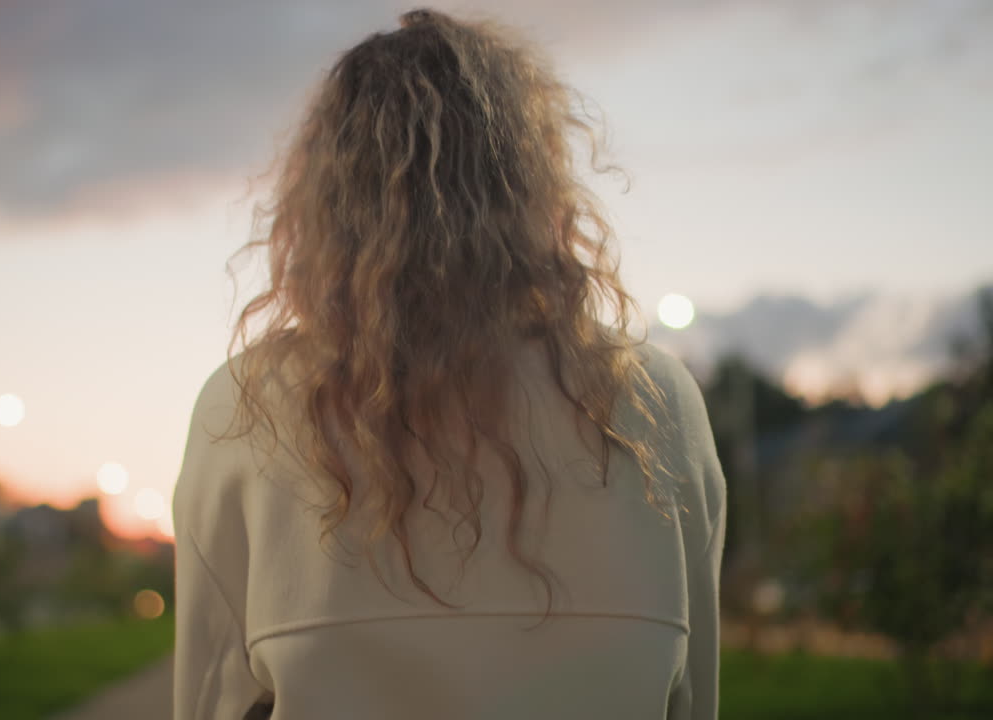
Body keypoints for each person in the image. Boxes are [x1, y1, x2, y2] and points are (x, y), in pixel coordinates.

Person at [172, 8, 725, 719]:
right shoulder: (656, 401)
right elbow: (694, 700)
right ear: (534, 188)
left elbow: (210, 699)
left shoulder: (244, 408)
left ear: (326, 202)